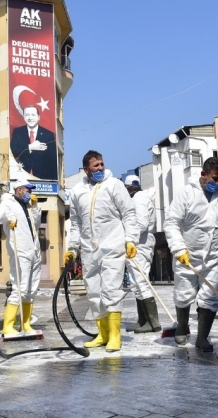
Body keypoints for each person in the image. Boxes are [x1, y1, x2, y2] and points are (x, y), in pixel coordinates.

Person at [164, 156, 218, 352]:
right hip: (187, 256)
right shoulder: (186, 194)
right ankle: (182, 326)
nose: (217, 183)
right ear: (203, 175)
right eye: (214, 178)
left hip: (214, 257)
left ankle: (202, 338)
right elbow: (171, 223)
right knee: (184, 294)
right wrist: (178, 248)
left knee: (210, 296)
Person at [64, 150, 138, 352]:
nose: (100, 168)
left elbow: (129, 213)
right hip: (89, 250)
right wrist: (71, 247)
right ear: (86, 169)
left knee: (111, 291)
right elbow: (76, 222)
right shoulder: (78, 191)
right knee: (94, 292)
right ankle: (103, 334)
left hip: (113, 245)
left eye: (102, 164)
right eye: (95, 166)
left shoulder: (114, 185)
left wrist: (130, 239)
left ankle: (115, 336)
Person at [0, 178, 42, 336]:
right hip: (19, 249)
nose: (30, 192)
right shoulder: (8, 202)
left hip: (34, 249)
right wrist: (9, 217)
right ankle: (8, 326)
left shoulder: (29, 204)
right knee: (20, 288)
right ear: (19, 189)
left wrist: (35, 206)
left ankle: (26, 324)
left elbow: (37, 223)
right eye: (28, 189)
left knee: (31, 288)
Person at [122, 174, 161, 334]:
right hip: (138, 243)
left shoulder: (139, 199)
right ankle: (143, 320)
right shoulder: (139, 197)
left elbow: (142, 223)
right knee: (136, 283)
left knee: (141, 281)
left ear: (127, 188)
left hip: (140, 244)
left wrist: (129, 237)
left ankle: (153, 322)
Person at [10, 105, 57, 181]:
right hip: (22, 178)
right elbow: (13, 151)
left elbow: (53, 160)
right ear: (24, 117)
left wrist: (53, 181)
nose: (30, 118)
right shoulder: (18, 132)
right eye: (27, 115)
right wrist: (30, 147)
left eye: (33, 115)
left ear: (38, 117)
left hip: (42, 179)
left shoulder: (48, 134)